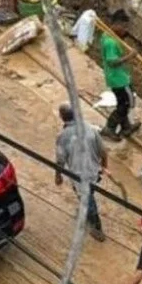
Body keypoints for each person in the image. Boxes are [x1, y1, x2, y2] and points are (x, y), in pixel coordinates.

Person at [54, 103, 108, 242]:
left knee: (87, 200)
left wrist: (58, 175)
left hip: (79, 176)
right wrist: (104, 167)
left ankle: (97, 227)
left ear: (61, 117)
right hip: (94, 172)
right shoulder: (89, 128)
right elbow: (103, 151)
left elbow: (60, 160)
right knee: (89, 195)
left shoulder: (63, 137)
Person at [100, 10, 140, 141]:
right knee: (125, 104)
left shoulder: (107, 36)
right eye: (124, 26)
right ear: (117, 24)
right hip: (119, 79)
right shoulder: (110, 42)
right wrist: (130, 56)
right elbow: (112, 62)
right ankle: (109, 128)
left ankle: (126, 127)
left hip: (114, 78)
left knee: (123, 102)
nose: (125, 30)